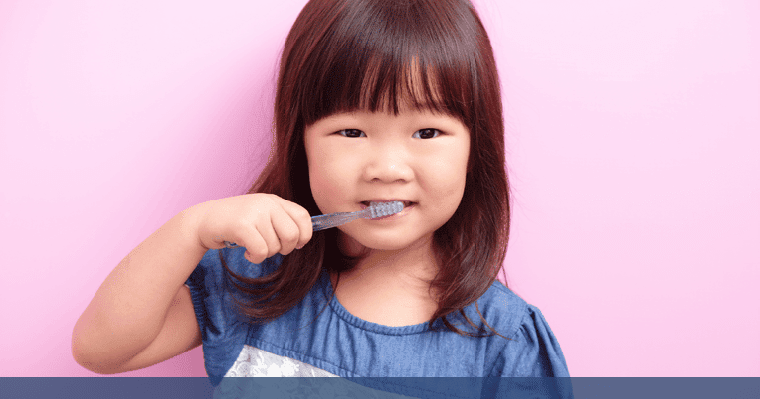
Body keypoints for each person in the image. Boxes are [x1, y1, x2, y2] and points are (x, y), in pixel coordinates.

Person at [73, 0, 571, 397]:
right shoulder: (254, 282)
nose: (388, 170)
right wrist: (190, 230)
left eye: (427, 131)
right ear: (302, 143)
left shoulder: (505, 341)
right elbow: (100, 350)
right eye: (351, 131)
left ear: (475, 147)